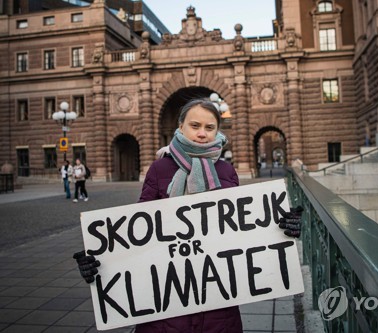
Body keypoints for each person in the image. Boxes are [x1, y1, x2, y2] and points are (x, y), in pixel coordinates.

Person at [74, 97, 302, 332]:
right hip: (165, 302)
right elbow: (138, 230)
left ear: (217, 131)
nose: (202, 133)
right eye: (195, 126)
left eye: (209, 127)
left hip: (217, 300)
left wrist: (282, 227)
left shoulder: (226, 171)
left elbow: (243, 228)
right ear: (180, 126)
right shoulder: (159, 169)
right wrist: (100, 257)